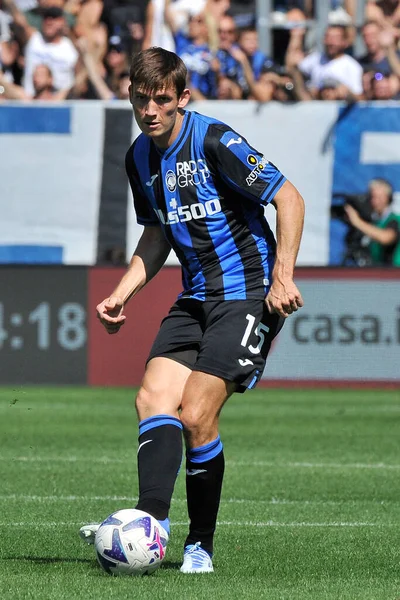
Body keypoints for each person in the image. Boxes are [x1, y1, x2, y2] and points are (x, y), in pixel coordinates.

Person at [79, 47, 305, 574]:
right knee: (151, 399)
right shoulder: (139, 158)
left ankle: (199, 545)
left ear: (183, 98)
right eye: (141, 99)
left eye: (162, 100)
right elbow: (156, 235)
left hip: (248, 292)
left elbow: (288, 197)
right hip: (197, 297)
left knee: (197, 413)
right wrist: (122, 293)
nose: (150, 110)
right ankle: (150, 527)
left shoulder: (213, 140)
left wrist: (284, 275)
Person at [345, 178, 400, 266]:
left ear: (388, 198)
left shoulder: (394, 219)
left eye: (379, 197)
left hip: (395, 273)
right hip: (381, 271)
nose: (375, 201)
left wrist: (357, 222)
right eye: (372, 196)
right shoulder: (376, 221)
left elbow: (386, 237)